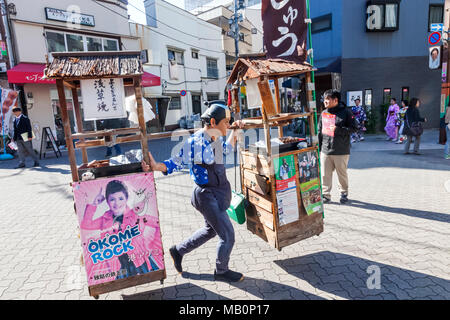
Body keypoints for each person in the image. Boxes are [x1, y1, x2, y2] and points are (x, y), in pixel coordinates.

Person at [141, 101, 245, 282]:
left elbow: (226, 150)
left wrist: (235, 133)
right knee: (227, 235)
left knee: (210, 231)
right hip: (206, 196)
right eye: (226, 122)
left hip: (217, 194)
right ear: (213, 122)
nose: (228, 125)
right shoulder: (196, 143)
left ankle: (178, 250)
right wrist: (156, 166)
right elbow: (176, 162)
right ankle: (221, 271)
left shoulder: (215, 137)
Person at [80, 180, 162, 280]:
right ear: (107, 201)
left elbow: (156, 222)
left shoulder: (135, 215)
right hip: (120, 267)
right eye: (112, 199)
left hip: (140, 262)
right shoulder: (105, 219)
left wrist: (152, 243)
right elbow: (85, 225)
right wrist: (94, 204)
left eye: (120, 198)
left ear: (126, 199)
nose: (117, 203)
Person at [318, 90, 358, 204]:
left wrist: (338, 130)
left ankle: (344, 193)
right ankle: (326, 195)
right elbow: (319, 131)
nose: (325, 101)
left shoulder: (346, 112)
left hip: (341, 150)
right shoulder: (324, 113)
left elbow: (354, 128)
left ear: (335, 100)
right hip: (326, 149)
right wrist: (319, 148)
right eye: (324, 99)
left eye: (328, 99)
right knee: (325, 174)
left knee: (342, 174)